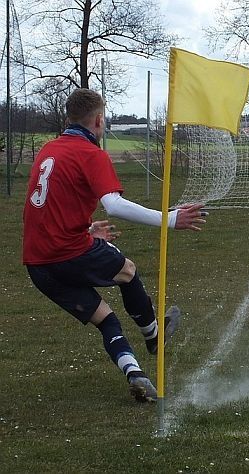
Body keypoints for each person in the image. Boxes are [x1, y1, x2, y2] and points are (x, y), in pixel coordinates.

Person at [22, 88, 207, 403]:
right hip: (67, 252)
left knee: (106, 318)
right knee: (127, 270)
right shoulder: (91, 153)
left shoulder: (48, 150)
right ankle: (154, 337)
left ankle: (135, 375)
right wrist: (170, 219)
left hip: (38, 264)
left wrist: (88, 230)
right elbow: (115, 205)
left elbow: (48, 203)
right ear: (98, 120)